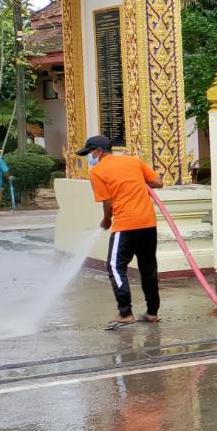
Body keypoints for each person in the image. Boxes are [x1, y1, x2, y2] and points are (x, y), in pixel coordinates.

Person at [78, 135, 163, 328]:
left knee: (115, 267)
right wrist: (135, 181)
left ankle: (125, 313)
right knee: (148, 267)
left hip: (126, 224)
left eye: (90, 153)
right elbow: (158, 182)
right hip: (148, 223)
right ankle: (152, 313)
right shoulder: (133, 161)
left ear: (98, 151)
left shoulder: (97, 171)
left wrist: (106, 220)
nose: (90, 157)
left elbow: (107, 202)